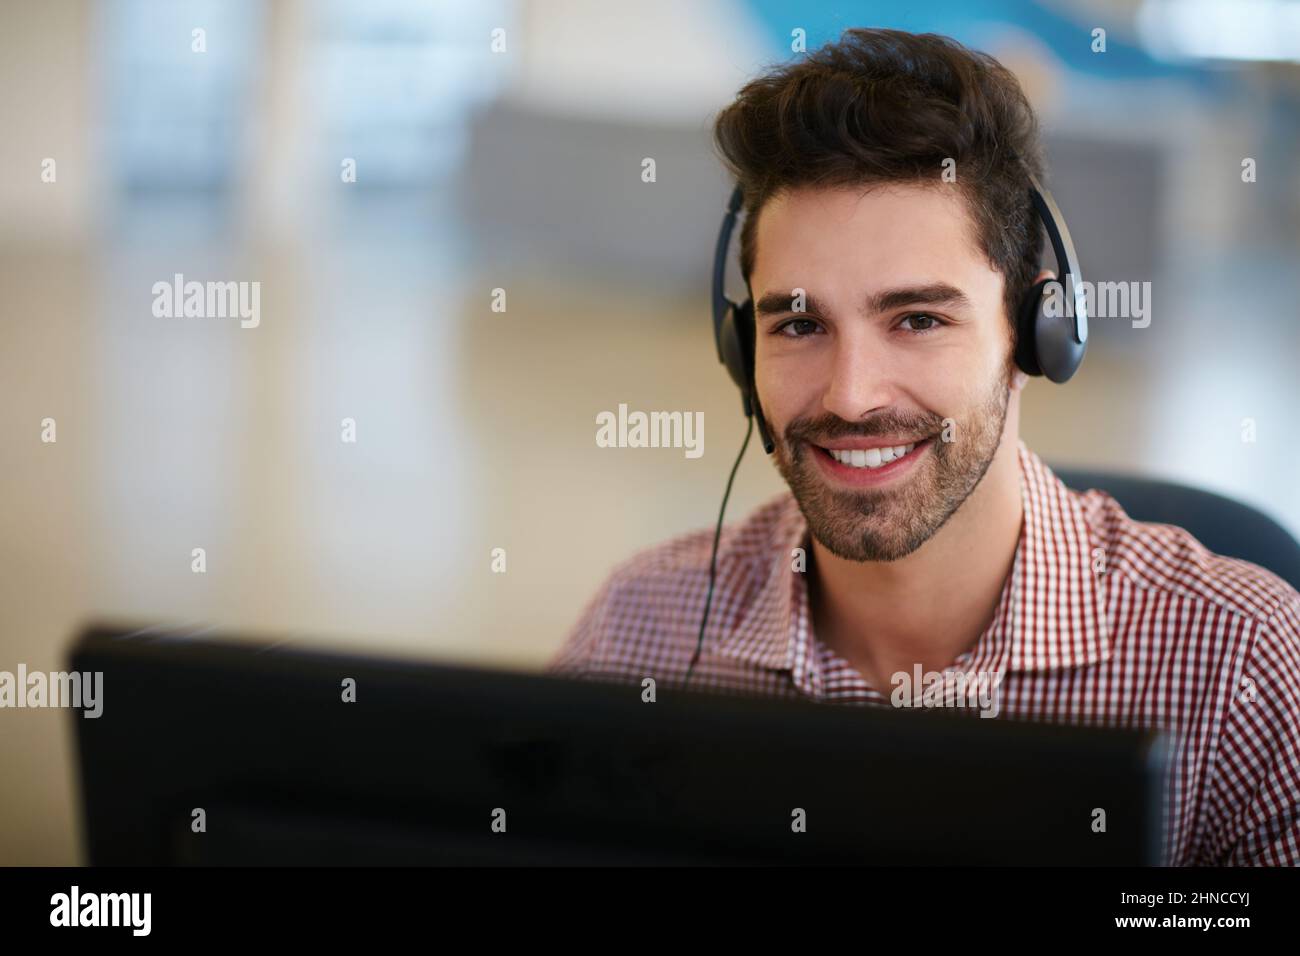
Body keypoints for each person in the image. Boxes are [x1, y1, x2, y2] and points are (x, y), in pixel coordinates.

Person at [547, 28, 1300, 866]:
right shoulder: (641, 629)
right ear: (739, 349)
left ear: (1037, 335)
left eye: (918, 320)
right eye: (799, 324)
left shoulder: (1240, 662)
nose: (850, 395)